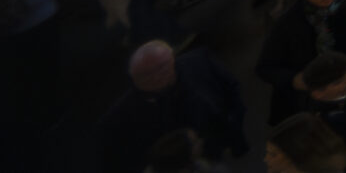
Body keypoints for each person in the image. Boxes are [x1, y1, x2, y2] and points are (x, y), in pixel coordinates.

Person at [100, 41, 250, 173]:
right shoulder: (117, 121)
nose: (160, 76)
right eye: (148, 75)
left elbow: (232, 89)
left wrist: (234, 124)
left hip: (216, 146)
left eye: (166, 66)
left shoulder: (199, 61)